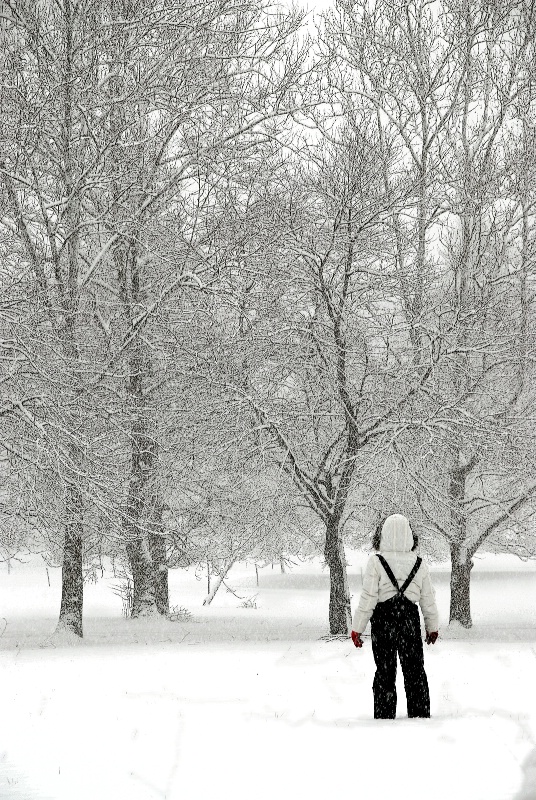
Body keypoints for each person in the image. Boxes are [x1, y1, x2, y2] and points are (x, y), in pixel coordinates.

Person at [351, 513, 439, 719]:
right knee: (415, 669)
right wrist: (432, 626)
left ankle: (384, 714)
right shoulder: (419, 563)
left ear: (383, 535)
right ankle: (419, 714)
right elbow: (428, 599)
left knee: (384, 670)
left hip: (383, 621)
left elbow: (368, 598)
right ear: (411, 535)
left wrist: (358, 627)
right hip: (409, 619)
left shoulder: (376, 562)